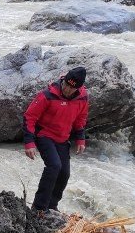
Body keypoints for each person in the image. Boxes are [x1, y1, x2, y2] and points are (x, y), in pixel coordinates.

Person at [23, 67, 89, 214]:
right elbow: (29, 117)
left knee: (64, 173)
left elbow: (80, 118)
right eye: (66, 85)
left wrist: (80, 138)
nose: (67, 89)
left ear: (78, 88)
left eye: (72, 88)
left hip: (62, 138)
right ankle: (39, 208)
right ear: (63, 80)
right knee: (54, 166)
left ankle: (52, 206)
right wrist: (29, 142)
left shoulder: (83, 98)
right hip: (44, 135)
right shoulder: (48, 95)